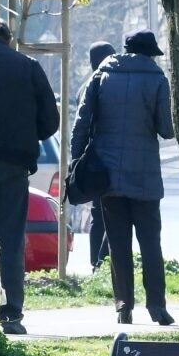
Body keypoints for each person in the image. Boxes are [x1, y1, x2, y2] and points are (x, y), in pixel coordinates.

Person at [70, 30, 175, 325]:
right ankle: (157, 306)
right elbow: (166, 129)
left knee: (118, 243)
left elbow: (81, 123)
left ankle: (123, 307)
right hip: (145, 175)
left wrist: (76, 163)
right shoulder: (157, 79)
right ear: (149, 54)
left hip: (107, 174)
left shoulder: (101, 75)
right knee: (150, 242)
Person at [0, 14, 59, 335]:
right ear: (7, 38)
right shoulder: (28, 66)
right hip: (14, 165)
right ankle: (11, 313)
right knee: (10, 239)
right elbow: (50, 122)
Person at [81, 40, 116, 271]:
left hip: (91, 157)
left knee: (97, 214)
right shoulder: (105, 83)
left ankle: (97, 263)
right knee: (112, 213)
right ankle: (102, 264)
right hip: (106, 155)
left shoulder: (84, 86)